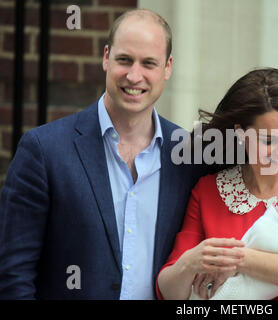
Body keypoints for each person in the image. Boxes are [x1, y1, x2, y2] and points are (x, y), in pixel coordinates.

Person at [0, 9, 209, 299]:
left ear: (168, 67)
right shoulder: (44, 150)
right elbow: (13, 275)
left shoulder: (189, 156)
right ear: (106, 57)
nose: (134, 76)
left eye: (149, 63)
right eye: (125, 60)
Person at [156, 68, 278, 300]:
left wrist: (238, 261)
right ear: (241, 134)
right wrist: (189, 264)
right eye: (268, 140)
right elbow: (168, 292)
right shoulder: (208, 191)